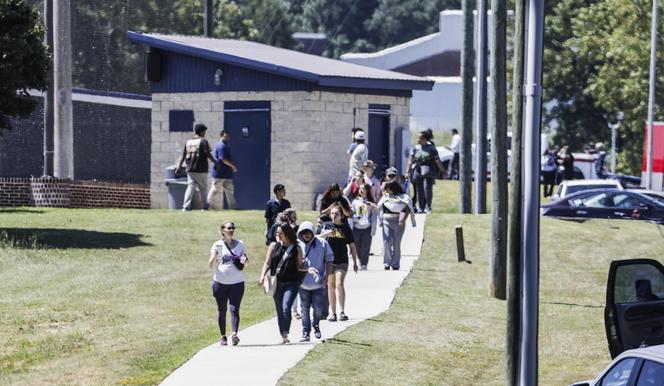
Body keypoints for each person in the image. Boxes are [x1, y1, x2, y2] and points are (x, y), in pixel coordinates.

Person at [258, 222, 305, 344]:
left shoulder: (296, 248)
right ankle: (283, 335)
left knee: (286, 307)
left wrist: (308, 268)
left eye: (280, 232)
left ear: (287, 233)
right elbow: (267, 263)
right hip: (276, 283)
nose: (277, 234)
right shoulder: (273, 246)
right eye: (277, 232)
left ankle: (286, 333)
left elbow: (300, 265)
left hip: (291, 283)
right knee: (279, 310)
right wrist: (262, 276)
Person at [208, 221, 248, 346]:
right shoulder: (218, 245)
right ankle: (223, 337)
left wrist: (244, 259)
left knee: (234, 309)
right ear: (222, 231)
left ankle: (235, 333)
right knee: (222, 310)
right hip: (220, 283)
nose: (231, 230)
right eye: (229, 228)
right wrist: (214, 256)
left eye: (233, 228)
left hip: (237, 283)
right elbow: (210, 265)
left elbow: (246, 262)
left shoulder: (240, 244)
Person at [321, 205, 359, 322]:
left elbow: (352, 246)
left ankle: (342, 312)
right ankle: (333, 313)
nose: (333, 215)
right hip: (329, 261)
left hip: (342, 260)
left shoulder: (346, 228)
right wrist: (326, 234)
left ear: (341, 216)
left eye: (336, 213)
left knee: (339, 283)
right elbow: (315, 238)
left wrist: (355, 262)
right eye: (332, 213)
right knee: (331, 286)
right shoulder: (325, 226)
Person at [296, 221, 334, 341]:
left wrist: (327, 275)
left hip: (319, 284)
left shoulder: (322, 243)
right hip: (303, 284)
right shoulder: (298, 245)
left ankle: (316, 324)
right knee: (304, 309)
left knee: (318, 309)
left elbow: (329, 259)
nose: (306, 235)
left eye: (308, 232)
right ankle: (306, 332)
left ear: (312, 232)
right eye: (303, 233)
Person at [176, 123, 216, 211]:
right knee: (203, 189)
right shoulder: (203, 141)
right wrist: (215, 162)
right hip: (201, 169)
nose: (205, 133)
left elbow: (183, 156)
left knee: (190, 188)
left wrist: (178, 167)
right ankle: (205, 207)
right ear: (201, 132)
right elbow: (207, 153)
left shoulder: (188, 142)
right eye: (204, 131)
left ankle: (186, 207)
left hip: (190, 170)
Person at [377, 181, 416, 270]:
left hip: (399, 222)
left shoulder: (404, 197)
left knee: (396, 243)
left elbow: (408, 208)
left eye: (388, 188)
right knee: (386, 242)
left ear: (393, 188)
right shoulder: (385, 197)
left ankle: (395, 264)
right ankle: (387, 262)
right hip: (386, 221)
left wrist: (402, 219)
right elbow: (379, 205)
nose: (386, 190)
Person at [408, 130, 444, 213]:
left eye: (420, 138)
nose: (418, 139)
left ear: (425, 139)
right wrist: (408, 171)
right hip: (417, 170)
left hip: (429, 170)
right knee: (419, 190)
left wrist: (442, 170)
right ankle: (421, 208)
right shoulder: (415, 148)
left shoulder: (432, 148)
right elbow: (410, 161)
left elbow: (437, 160)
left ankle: (428, 207)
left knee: (427, 188)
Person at [208, 129, 238, 210]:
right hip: (219, 174)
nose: (228, 138)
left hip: (227, 174)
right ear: (221, 136)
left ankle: (233, 208)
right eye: (226, 136)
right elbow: (223, 159)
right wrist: (233, 166)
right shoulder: (221, 146)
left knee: (230, 192)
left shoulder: (226, 146)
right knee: (214, 190)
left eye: (228, 136)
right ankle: (207, 206)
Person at [351, 184, 377, 270]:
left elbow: (374, 216)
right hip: (357, 227)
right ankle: (360, 260)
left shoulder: (371, 203)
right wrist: (356, 218)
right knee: (357, 246)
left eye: (363, 188)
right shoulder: (355, 202)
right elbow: (351, 215)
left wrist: (373, 229)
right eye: (360, 188)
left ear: (367, 191)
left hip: (367, 227)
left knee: (366, 246)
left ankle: (364, 264)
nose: (361, 190)